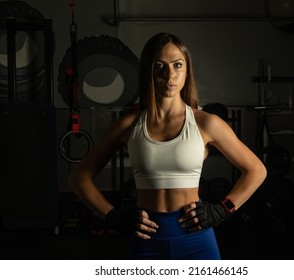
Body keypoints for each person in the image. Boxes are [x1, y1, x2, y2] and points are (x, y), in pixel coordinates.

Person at [69, 32, 267, 260]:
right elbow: (78, 177)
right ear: (148, 71)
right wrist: (113, 216)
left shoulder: (206, 123)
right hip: (145, 239)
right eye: (159, 66)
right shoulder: (128, 125)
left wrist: (222, 210)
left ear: (186, 71)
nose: (169, 75)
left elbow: (257, 170)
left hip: (196, 238)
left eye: (177, 65)